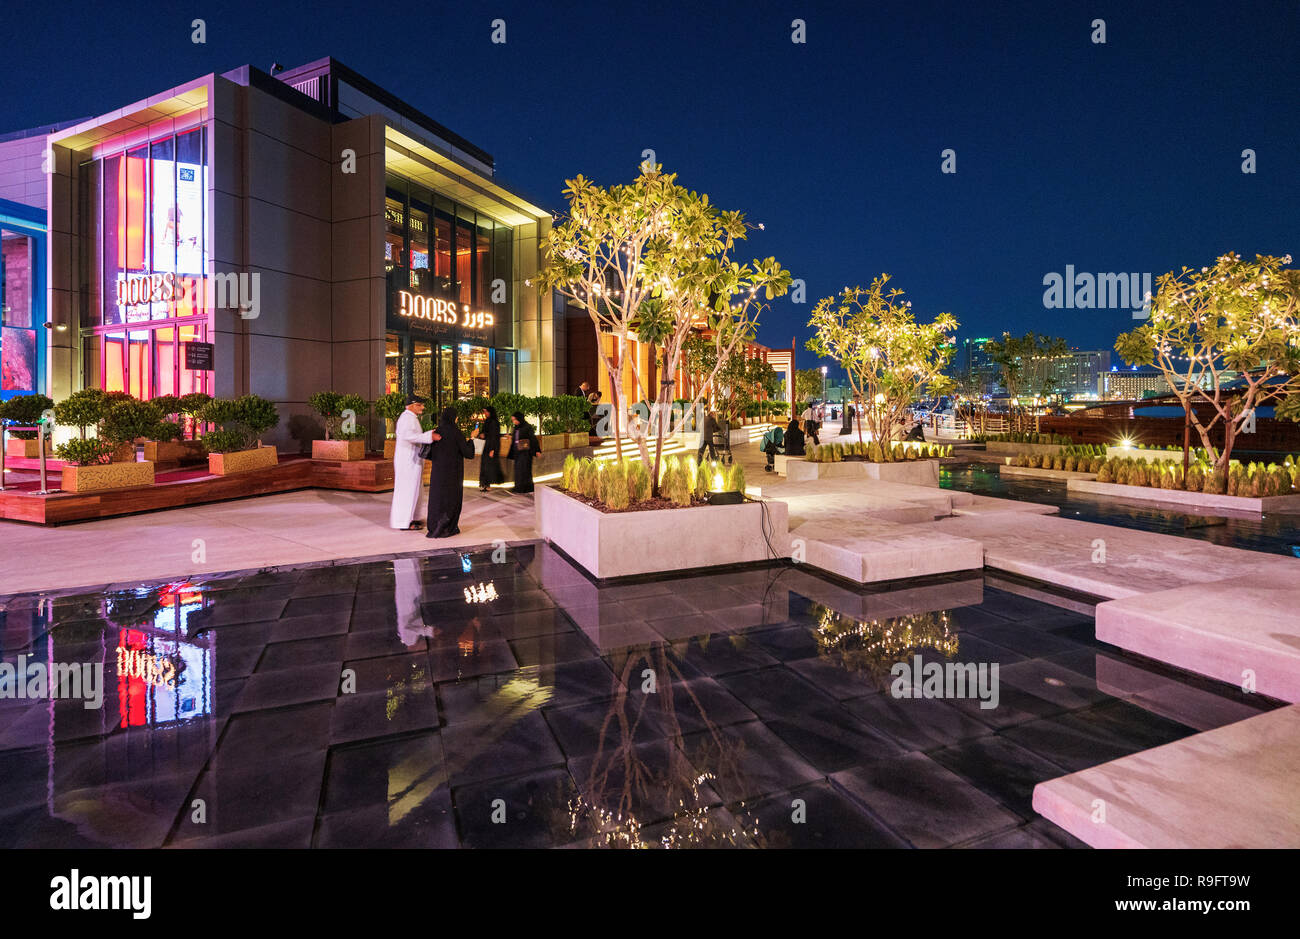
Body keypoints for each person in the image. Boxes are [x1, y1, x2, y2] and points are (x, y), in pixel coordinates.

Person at [389, 394, 438, 531]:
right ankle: (403, 522)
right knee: (406, 491)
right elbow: (408, 436)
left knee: (414, 490)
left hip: (412, 461)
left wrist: (428, 434)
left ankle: (411, 518)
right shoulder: (406, 418)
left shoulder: (411, 418)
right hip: (407, 462)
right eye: (419, 405)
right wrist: (429, 436)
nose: (423, 407)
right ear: (411, 405)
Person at [424, 406, 474, 538]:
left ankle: (434, 526)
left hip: (438, 473)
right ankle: (448, 527)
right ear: (454, 418)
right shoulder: (456, 433)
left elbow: (429, 454)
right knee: (452, 498)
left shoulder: (437, 431)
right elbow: (468, 453)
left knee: (437, 498)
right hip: (453, 473)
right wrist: (472, 439)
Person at [507, 411, 541, 493]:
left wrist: (537, 450)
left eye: (515, 419)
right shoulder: (516, 427)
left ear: (519, 419)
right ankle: (518, 487)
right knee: (518, 470)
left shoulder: (527, 427)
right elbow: (516, 438)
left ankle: (526, 488)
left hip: (525, 453)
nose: (514, 421)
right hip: (517, 452)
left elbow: (533, 439)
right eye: (513, 420)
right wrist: (511, 437)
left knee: (525, 470)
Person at [475, 405, 504, 491]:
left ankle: (488, 486)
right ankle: (486, 485)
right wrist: (482, 435)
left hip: (490, 447)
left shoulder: (494, 422)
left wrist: (493, 450)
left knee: (488, 467)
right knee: (486, 466)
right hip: (487, 446)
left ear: (490, 412)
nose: (485, 413)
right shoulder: (488, 421)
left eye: (486, 411)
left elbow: (494, 436)